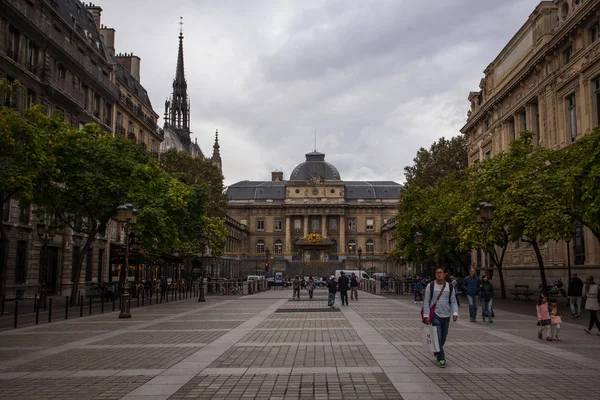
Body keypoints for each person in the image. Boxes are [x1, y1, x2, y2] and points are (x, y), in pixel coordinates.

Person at [423, 267, 458, 368]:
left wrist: (455, 313)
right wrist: (426, 315)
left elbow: (453, 301)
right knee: (438, 337)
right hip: (435, 315)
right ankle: (442, 358)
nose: (439, 274)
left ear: (445, 274)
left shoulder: (449, 286)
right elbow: (426, 301)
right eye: (437, 272)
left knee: (443, 336)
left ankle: (437, 350)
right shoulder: (431, 286)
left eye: (440, 272)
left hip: (446, 315)